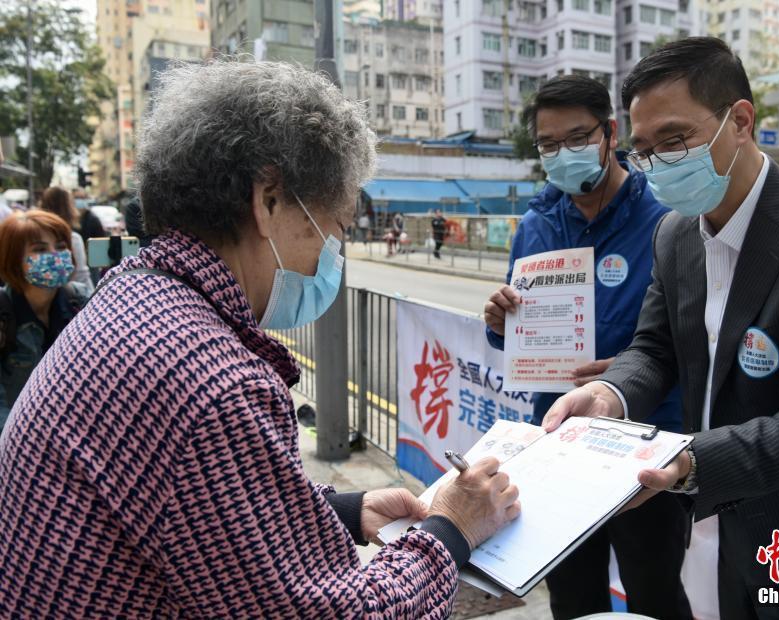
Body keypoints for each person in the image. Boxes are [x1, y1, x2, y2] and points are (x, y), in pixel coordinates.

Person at [0, 61, 520, 617]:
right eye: (335, 230)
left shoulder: (134, 293)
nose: (331, 259)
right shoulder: (215, 383)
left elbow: (193, 516)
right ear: (269, 200)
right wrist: (453, 527)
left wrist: (343, 511)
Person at [543, 37, 779, 619]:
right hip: (721, 530)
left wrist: (690, 462)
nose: (658, 165)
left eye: (675, 141)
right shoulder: (676, 236)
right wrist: (610, 392)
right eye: (644, 150)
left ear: (740, 120)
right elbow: (655, 348)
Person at [483, 75, 691, 620]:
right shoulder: (536, 225)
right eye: (549, 145)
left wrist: (625, 373)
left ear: (610, 133)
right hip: (556, 446)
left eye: (576, 138)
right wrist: (500, 322)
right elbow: (518, 325)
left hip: (644, 445)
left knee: (655, 592)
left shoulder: (665, 218)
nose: (562, 154)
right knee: (572, 596)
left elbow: (689, 339)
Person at [0, 211, 87, 429]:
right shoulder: (4, 313)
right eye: (39, 250)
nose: (55, 255)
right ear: (13, 260)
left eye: (60, 246)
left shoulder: (81, 300)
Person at [38, 186, 95, 291]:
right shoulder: (73, 239)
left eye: (60, 247)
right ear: (69, 207)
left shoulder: (34, 237)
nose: (52, 253)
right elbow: (82, 277)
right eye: (40, 249)